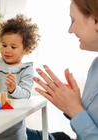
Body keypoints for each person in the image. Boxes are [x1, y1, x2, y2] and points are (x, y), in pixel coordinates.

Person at [29, 0, 98, 140]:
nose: (70, 30)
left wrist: (74, 108)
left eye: (73, 20)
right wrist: (69, 102)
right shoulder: (95, 65)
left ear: (96, 21)